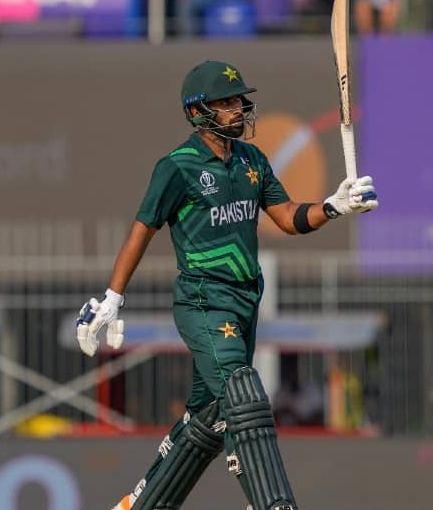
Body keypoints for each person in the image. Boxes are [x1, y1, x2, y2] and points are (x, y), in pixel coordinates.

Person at [74, 60, 379, 510]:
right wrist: (113, 298)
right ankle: (275, 505)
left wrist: (334, 206)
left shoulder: (252, 161)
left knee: (210, 418)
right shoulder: (177, 167)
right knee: (243, 391)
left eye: (239, 100)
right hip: (203, 300)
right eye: (226, 102)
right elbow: (142, 231)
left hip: (244, 303)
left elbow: (287, 217)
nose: (238, 109)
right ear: (199, 111)